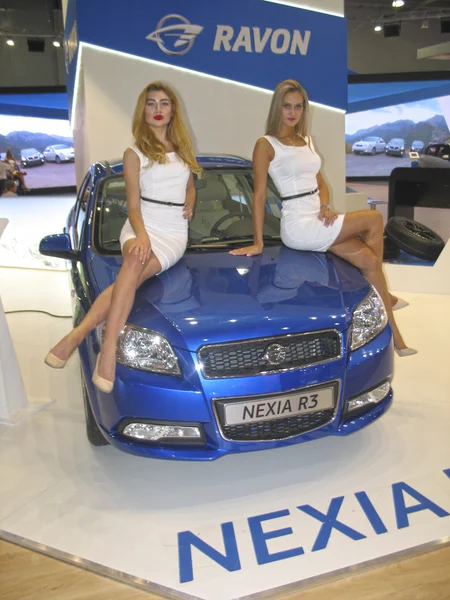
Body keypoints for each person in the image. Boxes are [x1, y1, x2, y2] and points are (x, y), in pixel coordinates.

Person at [230, 79, 416, 357]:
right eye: (286, 106)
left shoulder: (306, 141)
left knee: (368, 260)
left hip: (318, 218)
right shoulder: (266, 144)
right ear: (277, 108)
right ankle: (388, 310)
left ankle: (391, 329)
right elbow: (258, 195)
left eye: (298, 107)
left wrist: (325, 205)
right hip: (297, 225)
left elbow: (321, 182)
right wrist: (258, 242)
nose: (292, 112)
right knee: (374, 221)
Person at [45, 81, 201, 391]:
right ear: (142, 110)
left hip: (172, 233)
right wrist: (141, 237)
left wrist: (192, 200)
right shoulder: (135, 152)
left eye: (164, 103)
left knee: (127, 279)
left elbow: (189, 184)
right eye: (151, 103)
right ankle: (109, 349)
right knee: (133, 261)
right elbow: (132, 205)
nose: (158, 110)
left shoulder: (183, 149)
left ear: (173, 111)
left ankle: (78, 334)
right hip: (141, 222)